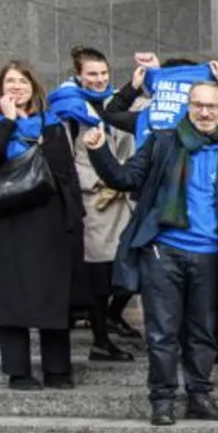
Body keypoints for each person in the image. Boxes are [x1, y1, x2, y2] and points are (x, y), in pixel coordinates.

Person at [84, 82, 218, 425]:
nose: (205, 113)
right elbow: (124, 178)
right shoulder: (163, 142)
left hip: (210, 254)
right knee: (162, 332)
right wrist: (99, 150)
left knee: (203, 333)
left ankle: (199, 397)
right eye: (198, 105)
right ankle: (162, 400)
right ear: (188, 107)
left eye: (212, 106)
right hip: (163, 251)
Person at [0, 61, 85, 390]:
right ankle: (18, 371)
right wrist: (8, 121)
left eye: (22, 81)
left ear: (34, 86)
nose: (16, 86)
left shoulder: (52, 123)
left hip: (49, 219)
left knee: (52, 297)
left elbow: (65, 172)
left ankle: (57, 369)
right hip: (7, 219)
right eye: (9, 81)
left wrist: (75, 217)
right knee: (11, 297)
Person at [48, 46, 137, 361]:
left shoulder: (117, 102)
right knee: (99, 273)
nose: (99, 80)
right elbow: (66, 157)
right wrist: (96, 182)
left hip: (122, 196)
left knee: (126, 266)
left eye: (104, 73)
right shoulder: (67, 108)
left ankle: (112, 318)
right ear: (78, 75)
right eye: (92, 74)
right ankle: (101, 340)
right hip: (93, 200)